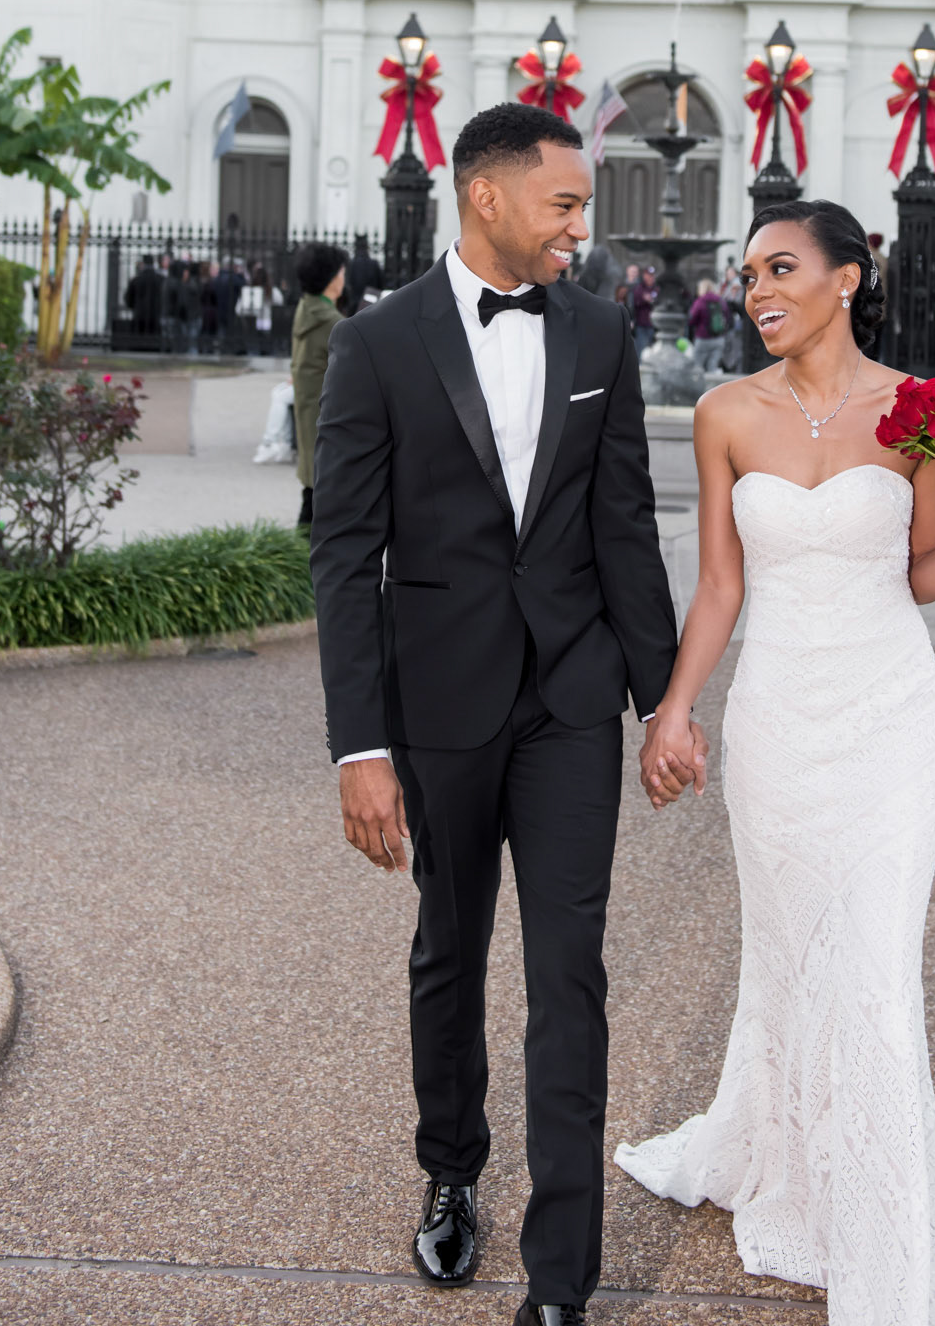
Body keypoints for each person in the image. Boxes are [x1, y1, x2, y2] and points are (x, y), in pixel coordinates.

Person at [310, 103, 686, 1326]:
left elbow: (624, 523)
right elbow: (345, 553)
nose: (581, 226)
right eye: (564, 203)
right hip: (439, 701)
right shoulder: (377, 342)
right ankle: (451, 1168)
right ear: (488, 196)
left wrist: (665, 698)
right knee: (451, 947)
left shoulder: (600, 330)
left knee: (569, 971)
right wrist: (360, 744)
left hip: (572, 699)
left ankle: (562, 1278)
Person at [614, 198, 935, 1325]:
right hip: (779, 728)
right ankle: (793, 1157)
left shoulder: (922, 412)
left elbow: (931, 578)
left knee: (875, 966)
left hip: (893, 722)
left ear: (848, 277)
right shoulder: (724, 412)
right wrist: (674, 712)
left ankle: (884, 1245)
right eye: (749, 274)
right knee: (794, 954)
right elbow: (720, 586)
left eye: (781, 267)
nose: (758, 291)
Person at [291, 242, 347, 529]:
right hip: (326, 421)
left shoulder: (306, 308)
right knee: (319, 508)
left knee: (311, 493)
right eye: (341, 272)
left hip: (308, 414)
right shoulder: (332, 322)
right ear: (332, 278)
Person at [686, 278, 729, 373]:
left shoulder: (700, 301)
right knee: (712, 368)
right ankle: (712, 383)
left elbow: (691, 320)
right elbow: (727, 317)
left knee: (697, 367)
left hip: (703, 339)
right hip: (719, 339)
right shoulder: (721, 301)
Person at [123, 253, 164, 341]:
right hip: (156, 315)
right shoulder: (161, 279)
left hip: (139, 315)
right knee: (154, 340)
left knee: (139, 340)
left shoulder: (136, 280)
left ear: (143, 264)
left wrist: (134, 307)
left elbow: (128, 299)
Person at [344, 233, 385, 314]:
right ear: (367, 247)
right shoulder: (374, 264)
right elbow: (381, 285)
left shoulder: (351, 264)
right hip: (371, 303)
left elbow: (346, 285)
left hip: (353, 305)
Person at [632, 265, 658, 356]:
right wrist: (644, 300)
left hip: (654, 325)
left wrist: (650, 300)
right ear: (644, 275)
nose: (651, 277)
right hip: (641, 325)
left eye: (652, 275)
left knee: (652, 350)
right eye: (649, 275)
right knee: (641, 350)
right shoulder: (639, 288)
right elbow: (635, 302)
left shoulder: (657, 288)